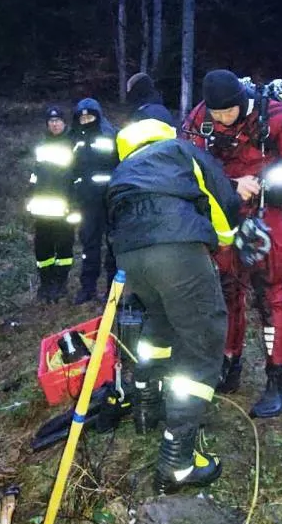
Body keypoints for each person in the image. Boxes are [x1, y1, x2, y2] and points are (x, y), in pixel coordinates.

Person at [107, 110, 239, 491]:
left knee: (159, 323)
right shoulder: (180, 151)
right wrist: (225, 239)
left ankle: (146, 403)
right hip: (177, 250)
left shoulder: (123, 170)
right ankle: (178, 457)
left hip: (131, 258)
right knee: (201, 341)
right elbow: (221, 196)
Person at [182, 69, 282, 418]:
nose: (223, 118)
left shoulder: (278, 118)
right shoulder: (199, 119)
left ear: (242, 103)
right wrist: (229, 184)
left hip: (266, 210)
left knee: (271, 294)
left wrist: (261, 183)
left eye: (229, 112)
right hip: (222, 212)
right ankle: (228, 365)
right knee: (226, 290)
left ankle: (277, 382)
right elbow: (187, 164)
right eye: (217, 113)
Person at [26, 106, 80, 302]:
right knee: (42, 248)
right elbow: (35, 175)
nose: (54, 124)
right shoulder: (41, 145)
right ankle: (45, 283)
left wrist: (74, 203)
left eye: (57, 121)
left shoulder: (72, 144)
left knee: (64, 246)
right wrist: (29, 197)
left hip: (64, 207)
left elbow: (76, 177)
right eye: (51, 121)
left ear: (64, 123)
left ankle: (60, 283)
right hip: (41, 208)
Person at [71, 98, 119, 304]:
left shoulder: (111, 135)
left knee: (113, 246)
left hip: (110, 199)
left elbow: (121, 164)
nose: (86, 120)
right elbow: (70, 170)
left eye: (90, 116)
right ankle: (87, 288)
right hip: (87, 201)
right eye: (82, 117)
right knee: (89, 245)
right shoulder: (74, 139)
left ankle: (111, 291)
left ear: (98, 116)